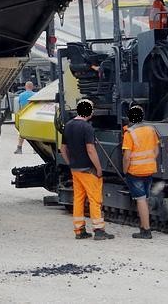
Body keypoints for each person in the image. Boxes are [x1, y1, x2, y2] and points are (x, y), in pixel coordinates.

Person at [60, 99, 114, 240]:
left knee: (78, 199)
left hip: (75, 170)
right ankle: (99, 230)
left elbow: (63, 148)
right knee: (95, 199)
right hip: (88, 170)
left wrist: (70, 163)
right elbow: (90, 149)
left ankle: (79, 230)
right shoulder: (87, 127)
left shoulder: (68, 125)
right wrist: (98, 168)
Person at [122, 104, 160, 239]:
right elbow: (156, 150)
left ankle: (146, 230)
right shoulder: (151, 130)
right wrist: (149, 161)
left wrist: (125, 170)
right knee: (146, 199)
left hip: (135, 171)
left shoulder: (130, 133)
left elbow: (127, 157)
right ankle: (144, 226)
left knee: (141, 200)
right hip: (149, 170)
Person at [14, 81, 36, 154]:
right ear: (32, 87)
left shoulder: (21, 95)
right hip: (33, 116)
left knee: (22, 133)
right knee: (33, 133)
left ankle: (19, 149)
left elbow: (18, 107)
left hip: (23, 116)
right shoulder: (36, 95)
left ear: (25, 87)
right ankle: (35, 150)